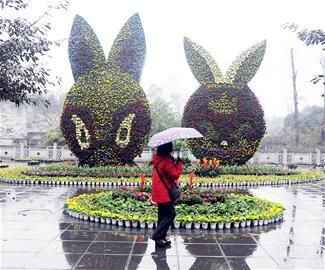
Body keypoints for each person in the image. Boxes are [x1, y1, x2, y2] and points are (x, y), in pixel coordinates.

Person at [151, 142, 182, 248]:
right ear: (168, 148)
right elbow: (174, 175)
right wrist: (178, 163)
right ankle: (156, 235)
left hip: (158, 190)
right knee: (170, 214)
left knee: (162, 215)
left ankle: (161, 238)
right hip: (164, 192)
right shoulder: (166, 160)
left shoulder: (158, 158)